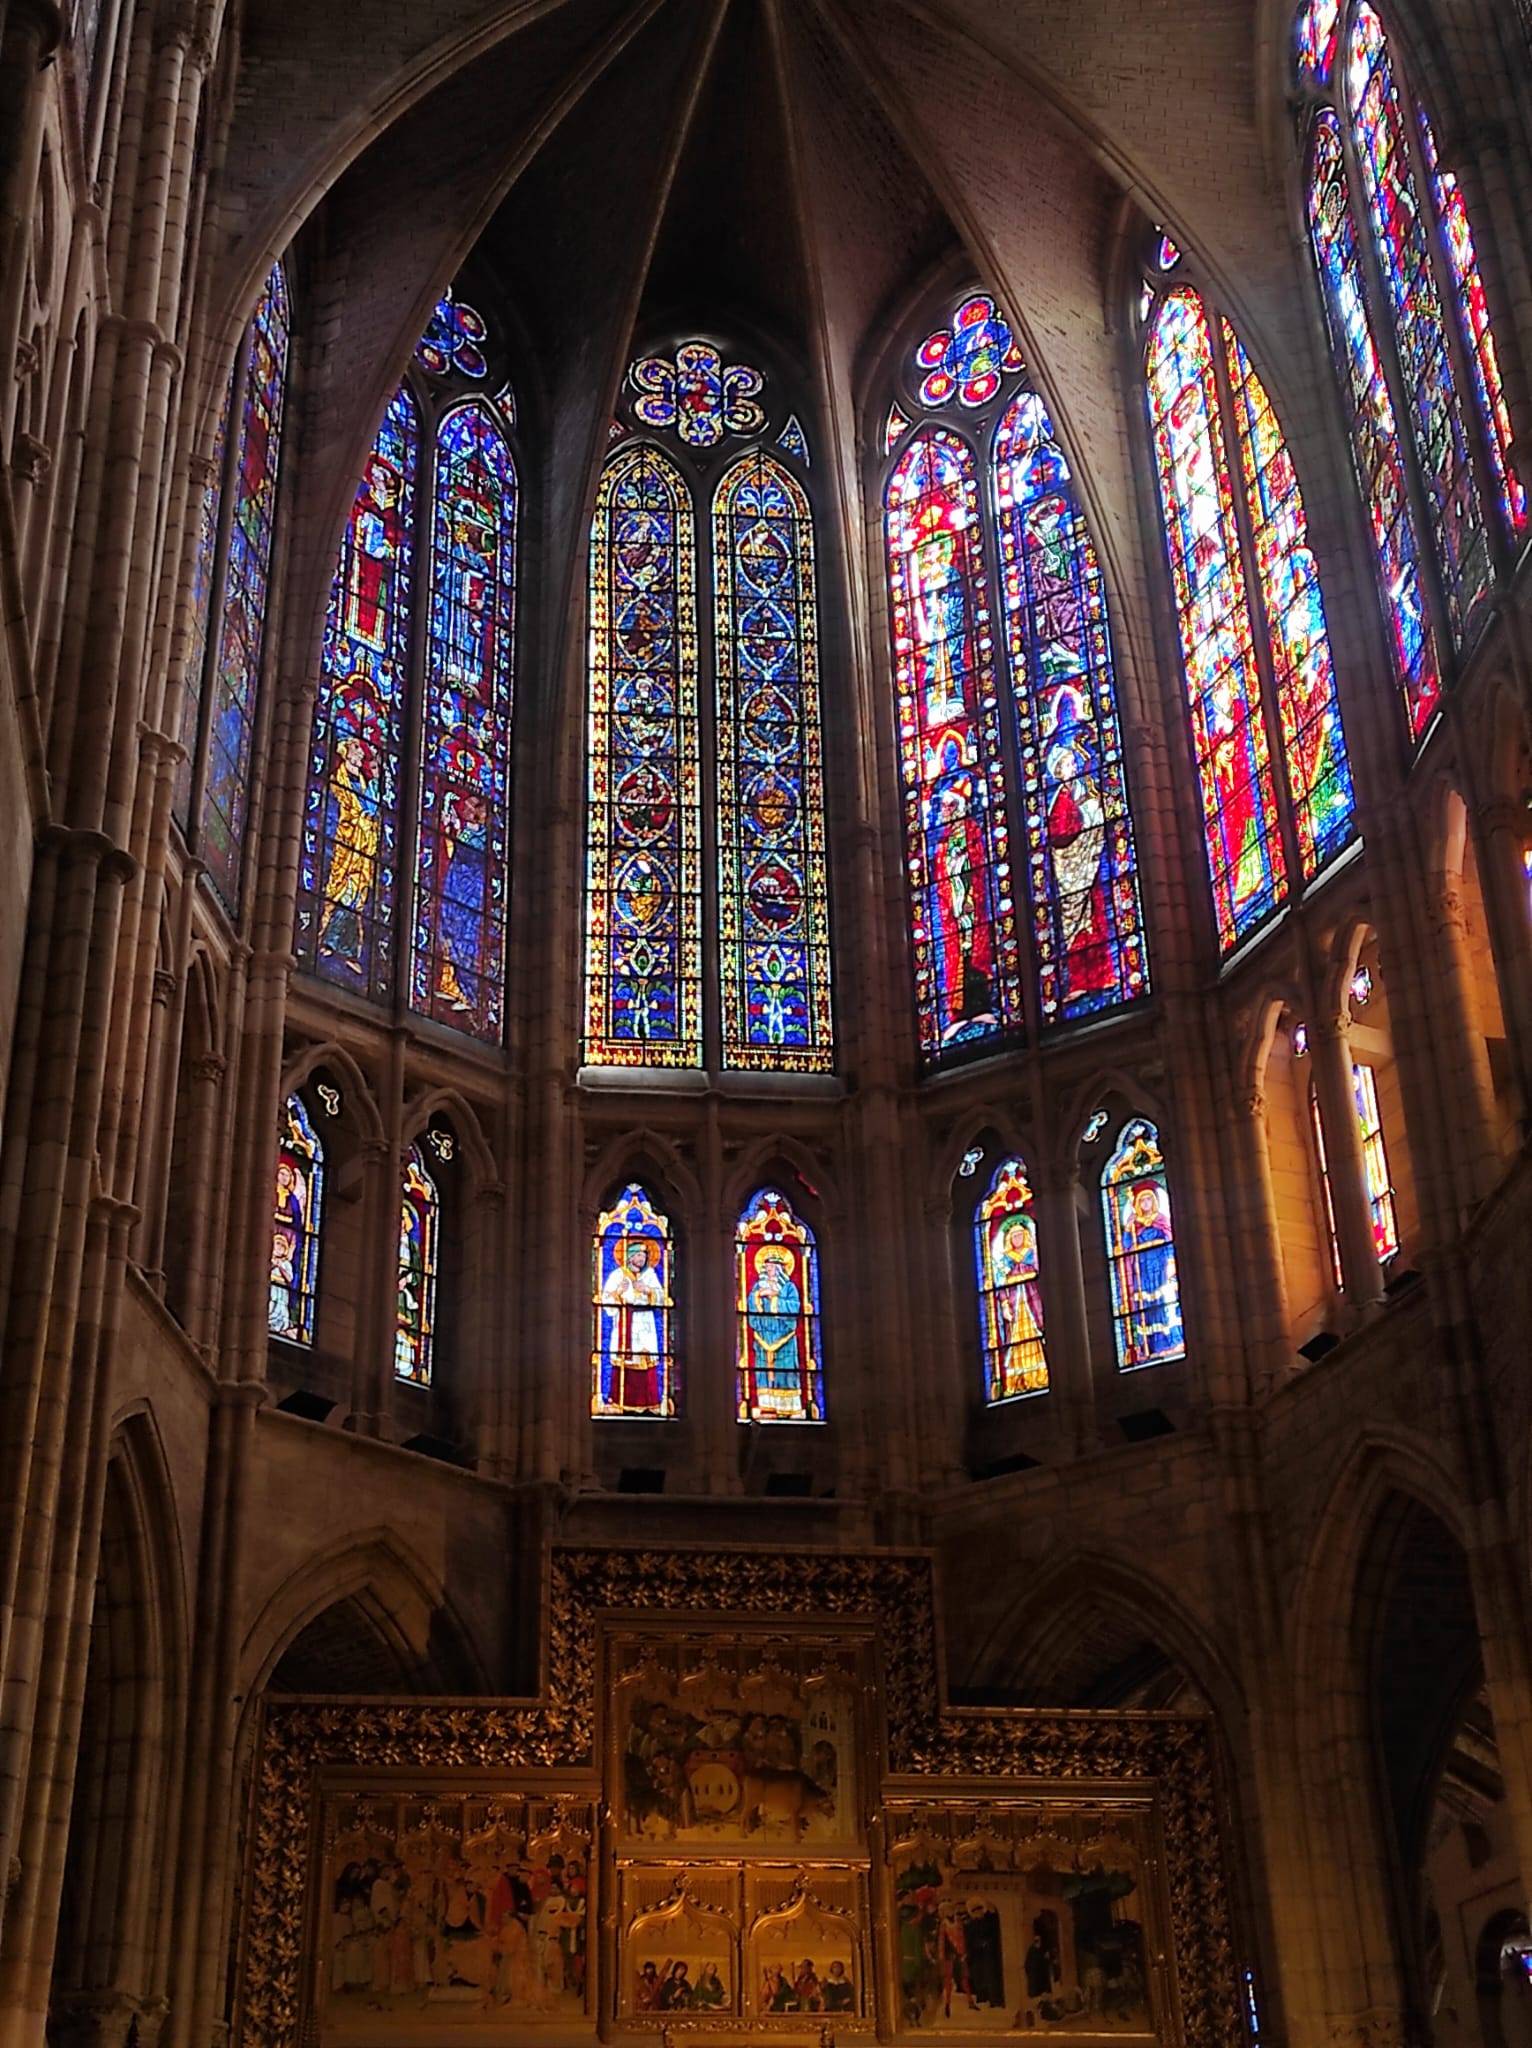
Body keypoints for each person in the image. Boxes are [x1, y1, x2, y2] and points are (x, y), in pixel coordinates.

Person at [599, 1233, 670, 1412]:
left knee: (646, 1360)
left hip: (645, 1323)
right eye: (639, 1254)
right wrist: (618, 1292)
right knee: (624, 1361)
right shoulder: (617, 1275)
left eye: (645, 1254)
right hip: (624, 1322)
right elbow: (605, 1299)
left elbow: (662, 1298)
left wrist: (647, 1290)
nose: (643, 1258)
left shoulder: (650, 1275)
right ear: (630, 1256)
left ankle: (651, 1403)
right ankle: (619, 1402)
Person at [743, 1246, 807, 1418]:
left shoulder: (789, 1287)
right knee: (764, 1371)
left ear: (779, 1268)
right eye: (766, 1266)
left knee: (786, 1369)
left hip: (784, 1337)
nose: (768, 1269)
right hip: (764, 1336)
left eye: (771, 1266)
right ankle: (767, 1406)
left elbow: (794, 1308)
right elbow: (750, 1307)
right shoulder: (758, 1286)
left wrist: (774, 1298)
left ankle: (789, 1407)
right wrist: (757, 1296)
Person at [989, 1214, 1047, 1397]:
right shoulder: (1006, 1260)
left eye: (1020, 1235)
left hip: (1031, 1299)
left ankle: (1039, 1376)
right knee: (1016, 1340)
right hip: (1016, 1303)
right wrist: (1005, 1304)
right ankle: (1017, 1380)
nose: (1017, 1239)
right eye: (1014, 1237)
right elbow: (1001, 1285)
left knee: (1034, 1335)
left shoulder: (1032, 1255)